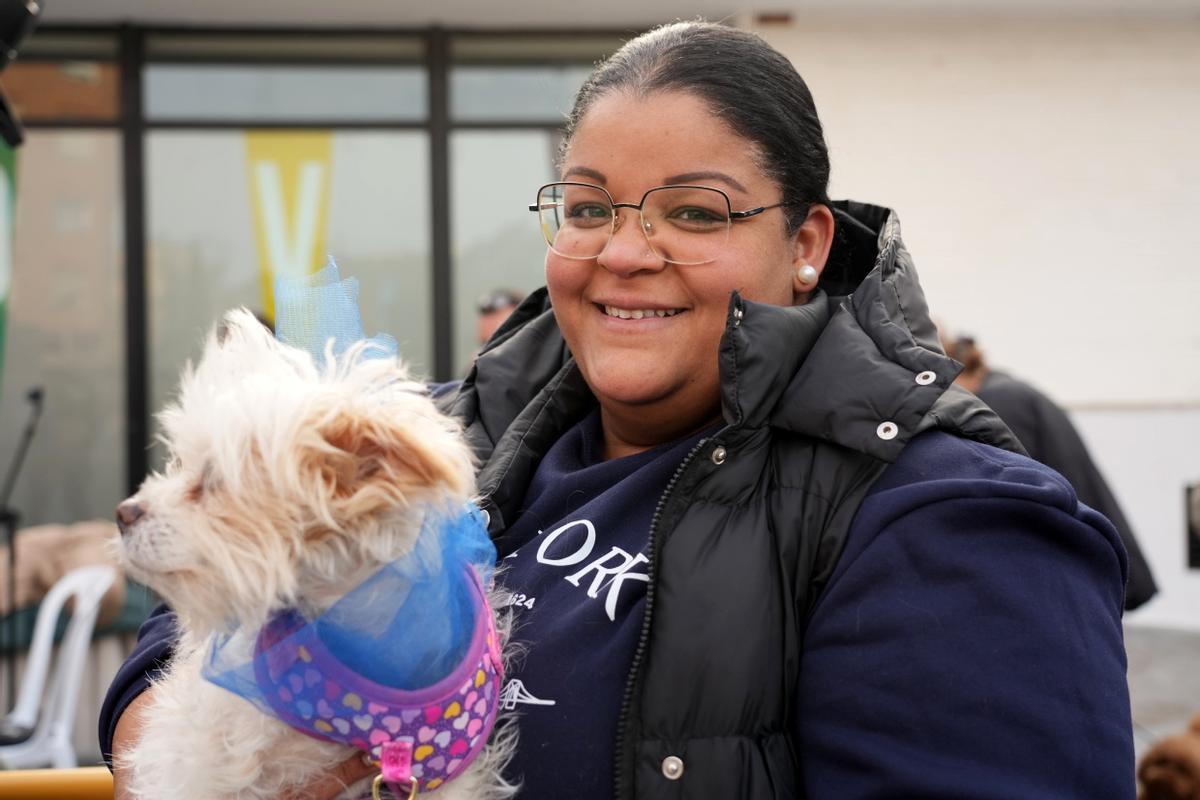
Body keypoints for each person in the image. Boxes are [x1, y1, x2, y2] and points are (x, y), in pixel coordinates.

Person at [100, 21, 1135, 799]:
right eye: (589, 206)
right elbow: (191, 604)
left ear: (809, 241)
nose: (625, 249)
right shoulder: (455, 433)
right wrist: (190, 742)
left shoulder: (952, 519)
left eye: (695, 211)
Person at [943, 332, 1158, 610]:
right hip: (1087, 554)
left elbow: (1008, 488)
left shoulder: (998, 402)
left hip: (1073, 565)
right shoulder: (1011, 390)